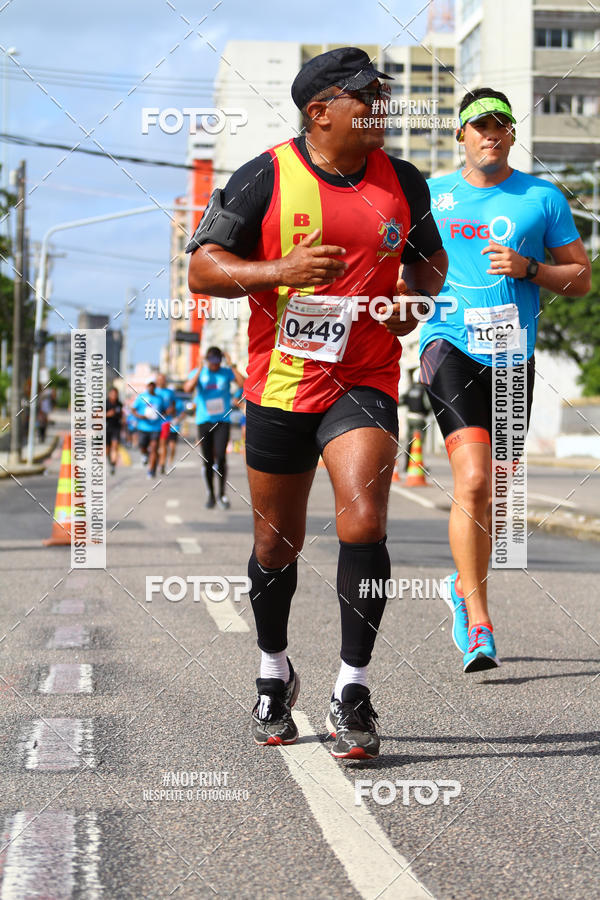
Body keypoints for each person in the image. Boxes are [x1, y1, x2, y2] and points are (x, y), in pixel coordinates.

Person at [187, 46, 447, 759]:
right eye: (366, 99)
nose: (382, 111)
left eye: (384, 97)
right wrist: (281, 270)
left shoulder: (406, 181)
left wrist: (413, 299)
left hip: (363, 381)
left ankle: (352, 692)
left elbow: (429, 258)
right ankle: (274, 672)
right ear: (320, 110)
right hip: (280, 387)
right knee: (276, 543)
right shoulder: (266, 176)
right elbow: (202, 270)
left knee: (364, 519)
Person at [419, 87, 591, 673]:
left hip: (514, 355)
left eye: (500, 126)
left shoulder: (542, 198)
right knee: (471, 480)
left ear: (513, 135)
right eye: (479, 126)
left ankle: (459, 584)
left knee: (493, 492)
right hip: (449, 345)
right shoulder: (434, 195)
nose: (491, 134)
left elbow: (582, 280)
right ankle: (479, 618)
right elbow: (400, 269)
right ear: (461, 136)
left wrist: (531, 268)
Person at [183, 347, 245, 509]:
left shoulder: (225, 372)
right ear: (207, 360)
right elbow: (187, 388)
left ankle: (222, 494)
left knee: (222, 458)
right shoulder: (200, 372)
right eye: (212, 362)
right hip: (204, 421)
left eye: (218, 362)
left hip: (222, 421)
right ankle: (210, 493)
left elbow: (243, 383)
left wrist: (232, 364)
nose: (215, 366)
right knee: (208, 459)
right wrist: (200, 368)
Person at [132, 380, 165, 478]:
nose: (151, 387)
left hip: (156, 427)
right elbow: (133, 410)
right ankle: (144, 455)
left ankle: (151, 470)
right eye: (149, 385)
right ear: (147, 386)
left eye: (153, 385)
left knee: (154, 447)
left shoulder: (159, 398)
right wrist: (139, 416)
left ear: (155, 386)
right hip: (143, 427)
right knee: (142, 446)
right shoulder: (141, 397)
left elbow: (164, 410)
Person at [155, 373, 176, 475]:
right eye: (159, 379)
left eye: (163, 379)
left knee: (163, 443)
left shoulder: (170, 392)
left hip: (165, 421)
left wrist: (171, 410)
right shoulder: (153, 391)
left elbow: (174, 405)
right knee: (154, 444)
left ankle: (162, 464)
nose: (161, 381)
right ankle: (154, 460)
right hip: (153, 422)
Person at [106, 386, 124, 475]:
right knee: (107, 449)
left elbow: (122, 415)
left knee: (115, 446)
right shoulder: (104, 403)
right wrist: (107, 414)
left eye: (115, 394)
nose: (114, 396)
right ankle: (110, 460)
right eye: (112, 394)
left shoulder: (119, 404)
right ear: (109, 394)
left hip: (116, 428)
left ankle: (113, 464)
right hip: (106, 428)